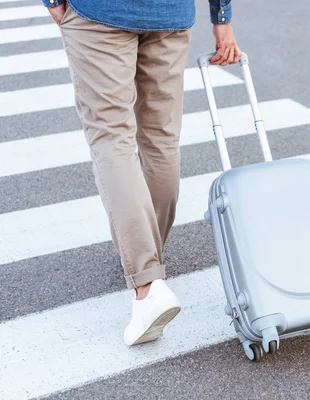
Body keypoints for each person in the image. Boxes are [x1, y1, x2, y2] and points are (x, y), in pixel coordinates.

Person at [41, 0, 242, 346]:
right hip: (170, 14)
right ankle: (149, 256)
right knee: (161, 138)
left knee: (111, 137)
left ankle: (148, 285)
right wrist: (221, 19)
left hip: (100, 12)